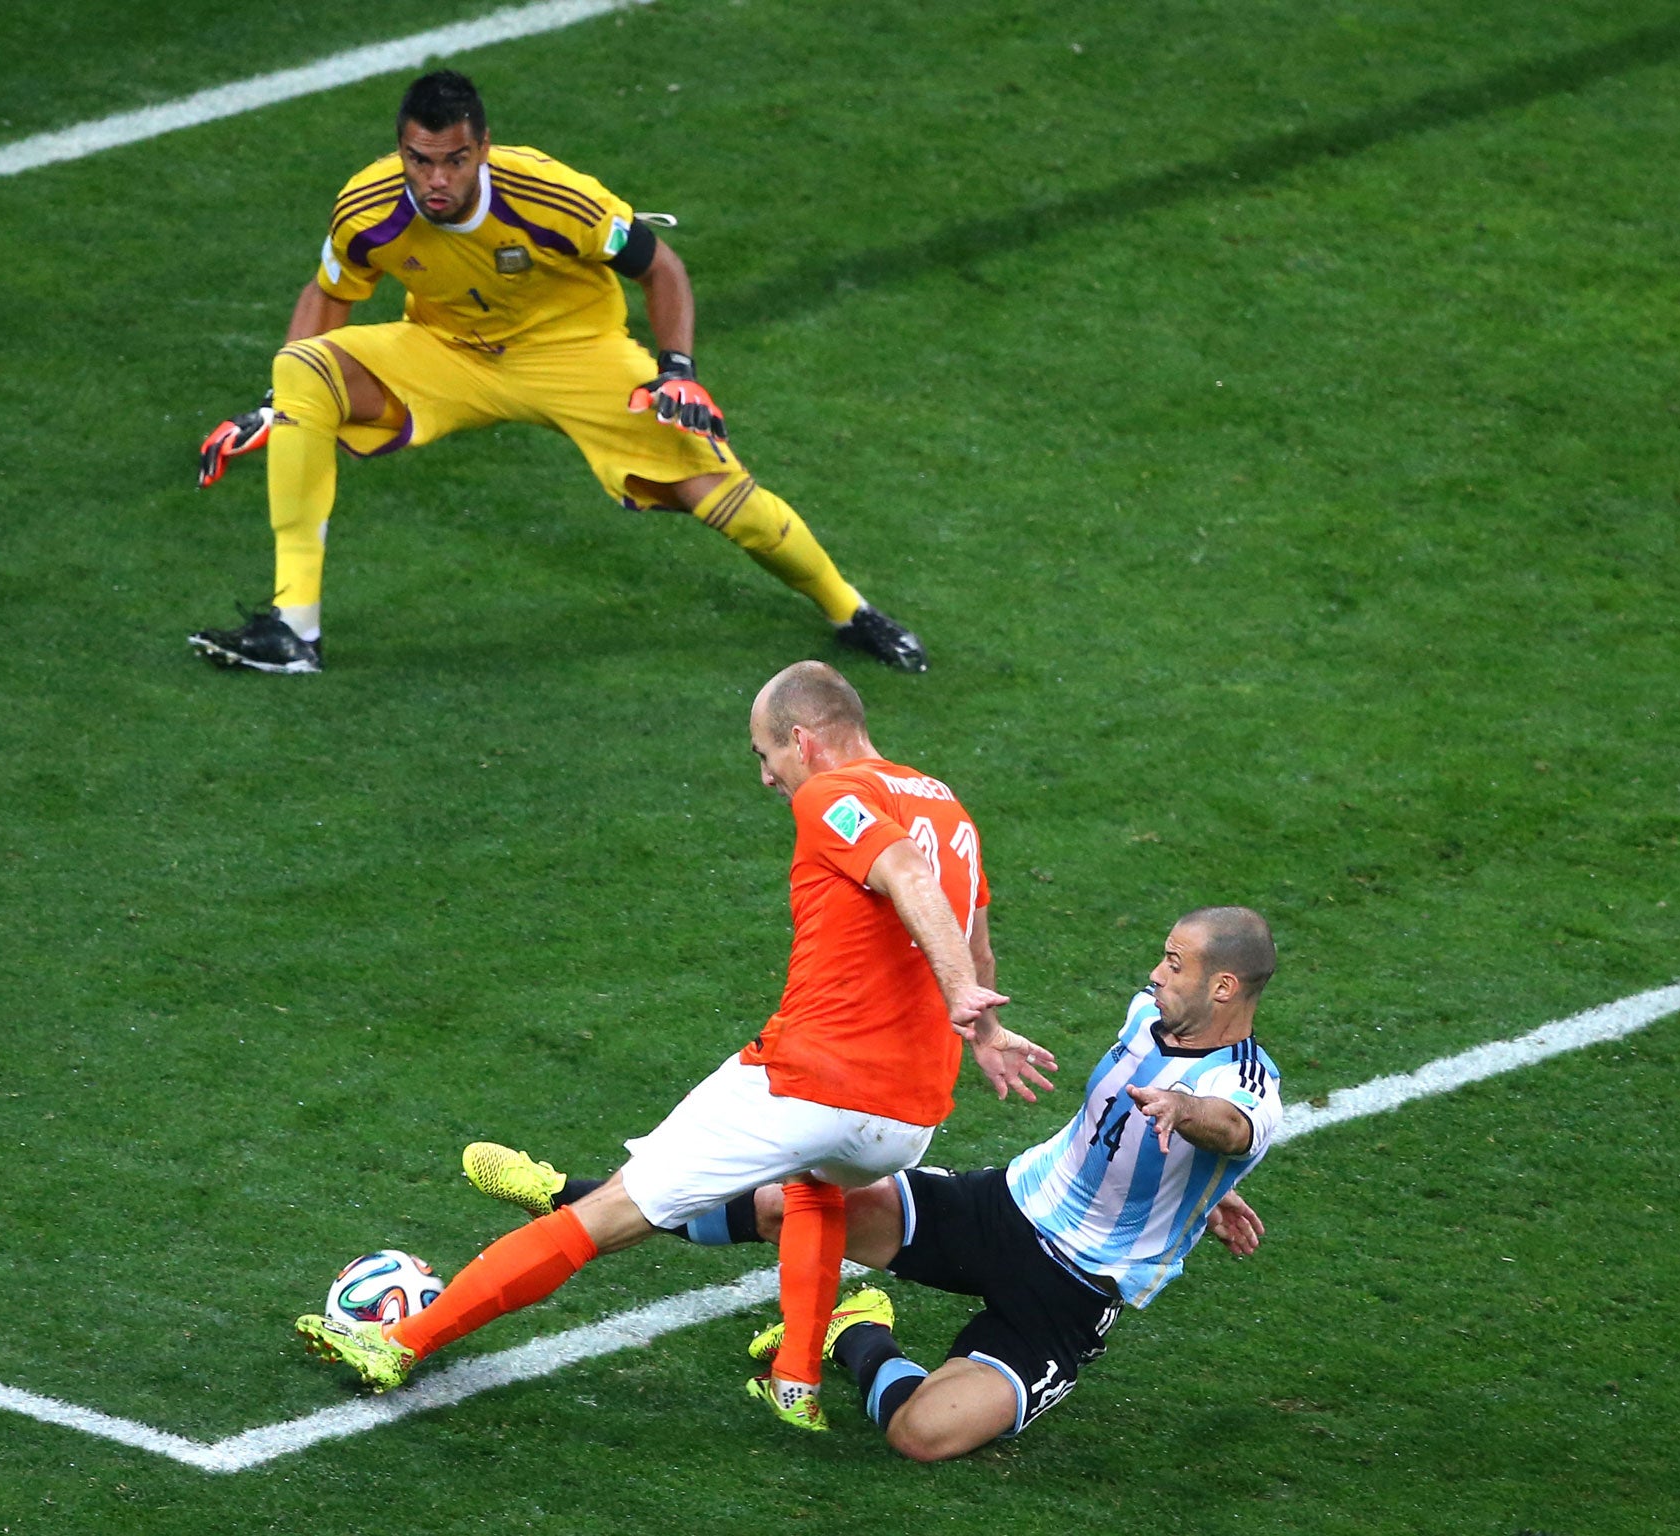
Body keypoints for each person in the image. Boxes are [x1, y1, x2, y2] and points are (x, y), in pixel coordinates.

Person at [295, 660, 1053, 1425]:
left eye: (765, 755)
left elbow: (906, 876)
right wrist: (983, 1031)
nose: (767, 778)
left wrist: (961, 996)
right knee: (814, 1187)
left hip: (812, 1080)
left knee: (609, 1212)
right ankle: (796, 1382)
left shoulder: (834, 793)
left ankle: (399, 1343)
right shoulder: (946, 804)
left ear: (803, 739)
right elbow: (976, 940)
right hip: (906, 1119)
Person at [468, 906, 1281, 1459]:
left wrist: (1195, 1125)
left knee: (921, 1435)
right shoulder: (1149, 1015)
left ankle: (855, 1330)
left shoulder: (1250, 1082)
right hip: (1004, 1206)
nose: (1155, 971)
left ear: (1223, 987)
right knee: (786, 1203)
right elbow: (1139, 1134)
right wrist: (1207, 1188)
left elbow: (1233, 1126)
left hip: (1071, 1292)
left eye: (1174, 963)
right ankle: (570, 1195)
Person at [189, 69, 926, 675]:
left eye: (453, 159)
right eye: (419, 159)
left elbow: (660, 267)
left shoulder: (551, 196)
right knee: (303, 371)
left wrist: (678, 371)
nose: (435, 179)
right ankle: (294, 629)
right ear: (401, 151)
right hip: (448, 352)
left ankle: (849, 610)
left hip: (574, 352)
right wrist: (271, 403)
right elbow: (328, 292)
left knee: (719, 494)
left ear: (483, 149)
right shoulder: (367, 208)